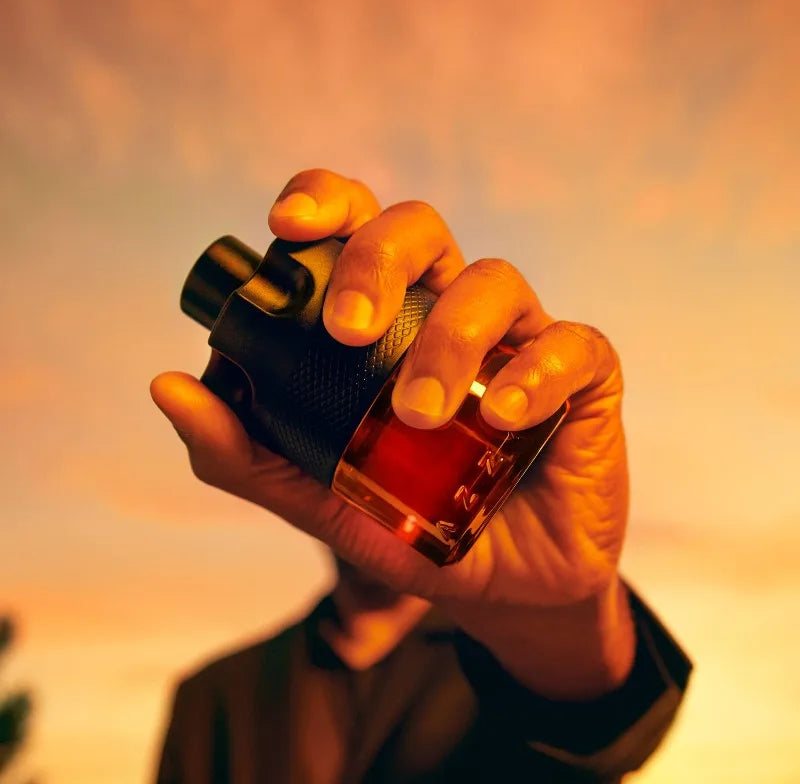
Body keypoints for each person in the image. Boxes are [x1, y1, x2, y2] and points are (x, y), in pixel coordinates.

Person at [150, 169, 692, 783]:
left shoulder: (506, 660)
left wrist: (559, 617)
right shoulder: (214, 699)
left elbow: (606, 739)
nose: (404, 446)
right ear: (272, 429)